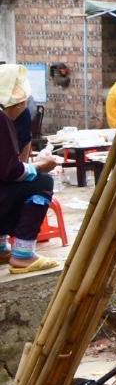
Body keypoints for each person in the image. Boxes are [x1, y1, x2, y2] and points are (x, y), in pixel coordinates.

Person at [0, 65, 61, 274]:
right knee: (43, 182)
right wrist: (40, 165)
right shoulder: (2, 119)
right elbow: (11, 171)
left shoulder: (16, 117)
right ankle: (23, 255)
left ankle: (1, 248)